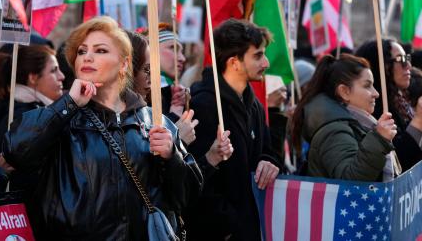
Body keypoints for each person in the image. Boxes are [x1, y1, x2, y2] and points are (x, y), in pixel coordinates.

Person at [3, 17, 202, 239]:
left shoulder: (155, 121)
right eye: (81, 51)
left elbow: (188, 196)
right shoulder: (63, 118)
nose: (87, 56)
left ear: (124, 64)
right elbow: (16, 151)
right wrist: (67, 105)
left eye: (100, 50)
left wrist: (172, 157)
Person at [186, 18, 280, 241]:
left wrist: (268, 161)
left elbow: (267, 149)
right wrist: (228, 225)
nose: (266, 62)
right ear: (234, 62)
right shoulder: (204, 105)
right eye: (257, 56)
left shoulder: (253, 103)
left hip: (250, 227)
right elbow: (196, 177)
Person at [291, 54, 399, 182]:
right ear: (344, 91)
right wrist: (379, 140)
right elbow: (350, 180)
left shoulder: (355, 123)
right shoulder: (333, 130)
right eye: (367, 85)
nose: (376, 93)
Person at [0, 45, 65, 163]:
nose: (62, 76)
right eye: (54, 70)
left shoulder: (35, 109)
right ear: (33, 78)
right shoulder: (22, 115)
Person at [356, 39, 422, 170]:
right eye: (401, 59)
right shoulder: (373, 106)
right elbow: (397, 162)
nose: (408, 65)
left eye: (407, 58)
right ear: (383, 66)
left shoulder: (401, 99)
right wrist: (418, 121)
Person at [126, 29, 199, 146]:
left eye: (181, 51)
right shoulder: (134, 101)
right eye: (172, 48)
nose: (182, 58)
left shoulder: (177, 94)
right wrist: (177, 136)